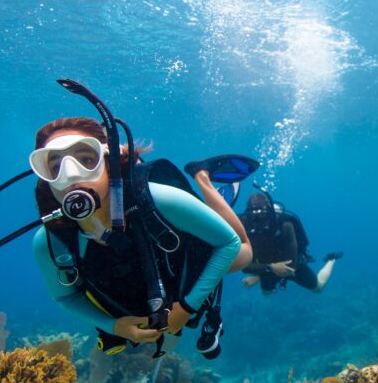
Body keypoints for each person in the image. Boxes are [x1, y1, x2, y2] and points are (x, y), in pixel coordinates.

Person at [30, 116, 256, 359]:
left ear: (109, 163)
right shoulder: (50, 242)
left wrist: (188, 307)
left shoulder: (160, 199)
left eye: (87, 160)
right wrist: (114, 326)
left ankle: (203, 177)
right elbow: (65, 296)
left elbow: (228, 243)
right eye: (55, 167)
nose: (71, 175)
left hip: (185, 261)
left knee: (244, 252)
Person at [239, 191, 342, 294]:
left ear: (270, 212)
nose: (259, 221)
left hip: (292, 264)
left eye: (263, 215)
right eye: (254, 217)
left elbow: (290, 267)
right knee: (266, 293)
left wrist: (260, 276)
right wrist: (268, 269)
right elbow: (242, 264)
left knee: (318, 288)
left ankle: (331, 259)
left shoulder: (285, 225)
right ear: (247, 215)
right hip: (267, 267)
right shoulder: (242, 225)